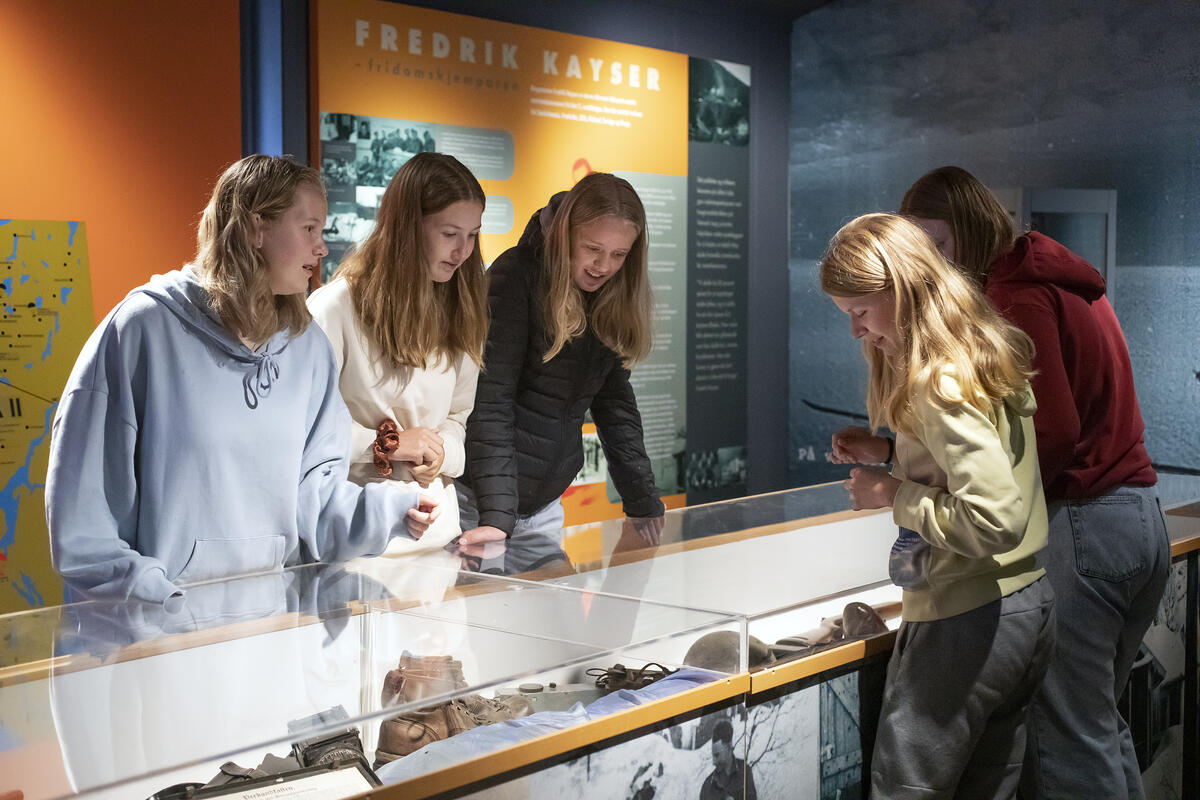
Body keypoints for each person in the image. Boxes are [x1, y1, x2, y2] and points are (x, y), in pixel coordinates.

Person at [45, 155, 438, 609]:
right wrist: (149, 592)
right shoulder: (141, 330)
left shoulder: (307, 348)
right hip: (161, 631)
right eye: (309, 228)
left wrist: (386, 510)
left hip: (269, 627)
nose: (322, 248)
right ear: (255, 228)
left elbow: (316, 496)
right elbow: (83, 510)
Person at [900, 166, 1169, 799]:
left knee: (1070, 743)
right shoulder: (1061, 274)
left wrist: (991, 514)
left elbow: (1052, 433)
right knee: (1100, 727)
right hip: (1136, 516)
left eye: (936, 247)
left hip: (1083, 524)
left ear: (966, 230)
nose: (930, 266)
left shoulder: (1016, 293)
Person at [824, 213, 1055, 797]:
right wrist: (891, 451)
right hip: (1024, 603)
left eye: (859, 311)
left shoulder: (937, 381)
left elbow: (995, 518)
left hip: (968, 614)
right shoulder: (976, 353)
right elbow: (980, 465)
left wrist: (893, 494)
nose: (856, 331)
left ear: (900, 290)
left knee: (908, 788)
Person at [458, 172, 664, 553]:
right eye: (592, 249)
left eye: (619, 255)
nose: (602, 266)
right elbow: (490, 404)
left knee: (552, 613)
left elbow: (614, 402)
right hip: (480, 505)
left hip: (545, 505)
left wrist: (642, 499)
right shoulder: (515, 277)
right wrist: (498, 517)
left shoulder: (607, 296)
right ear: (565, 235)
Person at [308, 153, 487, 551]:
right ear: (408, 228)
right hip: (359, 536)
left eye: (473, 235)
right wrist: (384, 446)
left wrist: (441, 456)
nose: (463, 252)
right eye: (450, 233)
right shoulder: (335, 308)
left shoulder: (462, 307)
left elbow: (459, 418)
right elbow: (303, 430)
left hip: (437, 538)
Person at [699, 717, 756, 800]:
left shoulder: (744, 773)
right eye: (713, 756)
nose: (714, 762)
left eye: (717, 755)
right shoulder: (707, 786)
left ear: (729, 747)